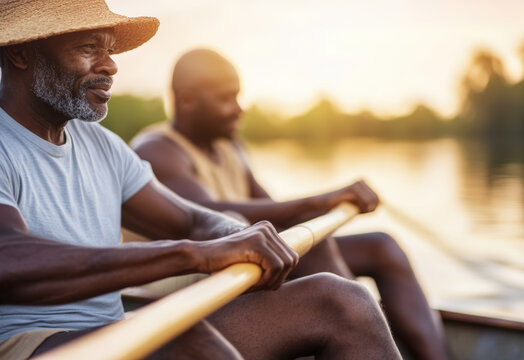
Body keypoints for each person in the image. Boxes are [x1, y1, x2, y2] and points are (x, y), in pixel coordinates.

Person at [0, 1, 402, 359]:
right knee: (198, 347)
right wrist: (196, 254)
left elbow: (192, 221)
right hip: (30, 346)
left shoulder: (101, 146)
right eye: (89, 48)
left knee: (341, 301)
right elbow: (10, 259)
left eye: (109, 49)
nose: (110, 65)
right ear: (20, 53)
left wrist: (238, 237)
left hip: (115, 328)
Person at [131, 48, 452, 360]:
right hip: (180, 281)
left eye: (238, 96)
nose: (239, 109)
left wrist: (324, 205)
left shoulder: (231, 147)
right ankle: (359, 322)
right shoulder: (158, 150)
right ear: (186, 100)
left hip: (236, 258)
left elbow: (270, 208)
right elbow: (204, 214)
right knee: (312, 249)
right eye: (226, 98)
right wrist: (320, 200)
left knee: (381, 247)